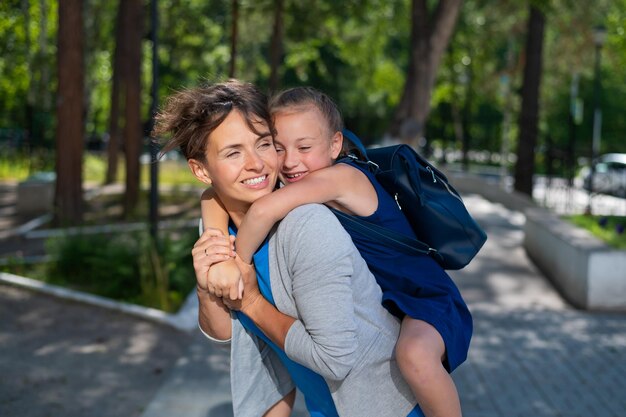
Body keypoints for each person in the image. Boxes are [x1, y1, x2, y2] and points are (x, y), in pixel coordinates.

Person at [153, 79, 421, 417]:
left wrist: (250, 301)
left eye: (264, 144)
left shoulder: (307, 225)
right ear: (201, 170)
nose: (257, 163)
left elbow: (334, 360)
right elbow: (226, 334)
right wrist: (207, 285)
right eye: (234, 152)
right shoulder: (219, 224)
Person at [202, 87, 472, 417]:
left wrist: (235, 263)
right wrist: (213, 231)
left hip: (426, 297)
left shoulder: (340, 178)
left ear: (335, 144)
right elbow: (211, 194)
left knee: (415, 356)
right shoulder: (305, 180)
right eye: (278, 147)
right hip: (398, 300)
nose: (289, 161)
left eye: (304, 147)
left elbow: (261, 212)